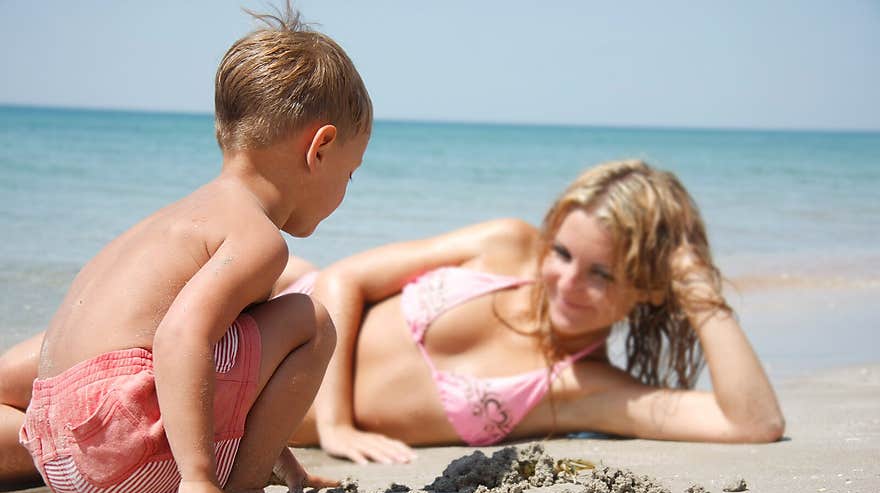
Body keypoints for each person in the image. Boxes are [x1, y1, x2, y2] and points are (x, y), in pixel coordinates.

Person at [10, 5, 372, 493]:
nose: (346, 191)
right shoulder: (256, 238)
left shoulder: (178, 219)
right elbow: (180, 339)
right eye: (349, 173)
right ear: (318, 148)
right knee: (309, 319)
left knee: (246, 326)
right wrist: (203, 482)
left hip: (58, 452)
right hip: (127, 443)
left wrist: (276, 449)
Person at [282, 159, 785, 464]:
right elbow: (342, 279)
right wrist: (336, 427)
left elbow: (752, 422)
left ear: (651, 290)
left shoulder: (582, 387)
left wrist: (695, 285)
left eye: (602, 274)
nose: (567, 283)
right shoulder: (506, 244)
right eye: (562, 253)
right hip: (277, 304)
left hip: (252, 415)